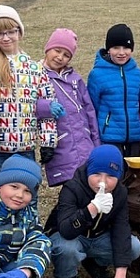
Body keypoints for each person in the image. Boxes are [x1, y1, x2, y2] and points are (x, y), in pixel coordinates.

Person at [44, 145, 140, 278]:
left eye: (111, 176)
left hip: (98, 237)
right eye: (96, 174)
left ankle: (94, 262)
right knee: (66, 248)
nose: (102, 181)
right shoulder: (72, 187)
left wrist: (121, 274)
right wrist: (91, 209)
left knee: (134, 247)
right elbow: (66, 230)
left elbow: (121, 229)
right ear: (89, 170)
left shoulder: (120, 192)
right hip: (70, 236)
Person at [0, 5, 58, 185]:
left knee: (27, 197)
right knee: (0, 199)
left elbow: (46, 108)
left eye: (10, 31)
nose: (5, 38)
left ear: (19, 32)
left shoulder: (35, 68)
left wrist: (48, 141)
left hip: (26, 148)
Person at [39, 28, 100, 187]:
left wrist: (96, 141)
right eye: (57, 51)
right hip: (61, 145)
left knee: (87, 186)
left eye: (66, 55)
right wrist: (46, 107)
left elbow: (89, 112)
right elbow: (25, 104)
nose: (60, 57)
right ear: (48, 48)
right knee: (70, 189)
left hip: (84, 144)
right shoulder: (36, 75)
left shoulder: (75, 79)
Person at [87, 23, 140, 158]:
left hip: (135, 136)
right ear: (108, 49)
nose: (121, 52)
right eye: (115, 48)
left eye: (126, 48)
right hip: (109, 137)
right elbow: (92, 106)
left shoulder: (138, 74)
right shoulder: (97, 75)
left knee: (133, 176)